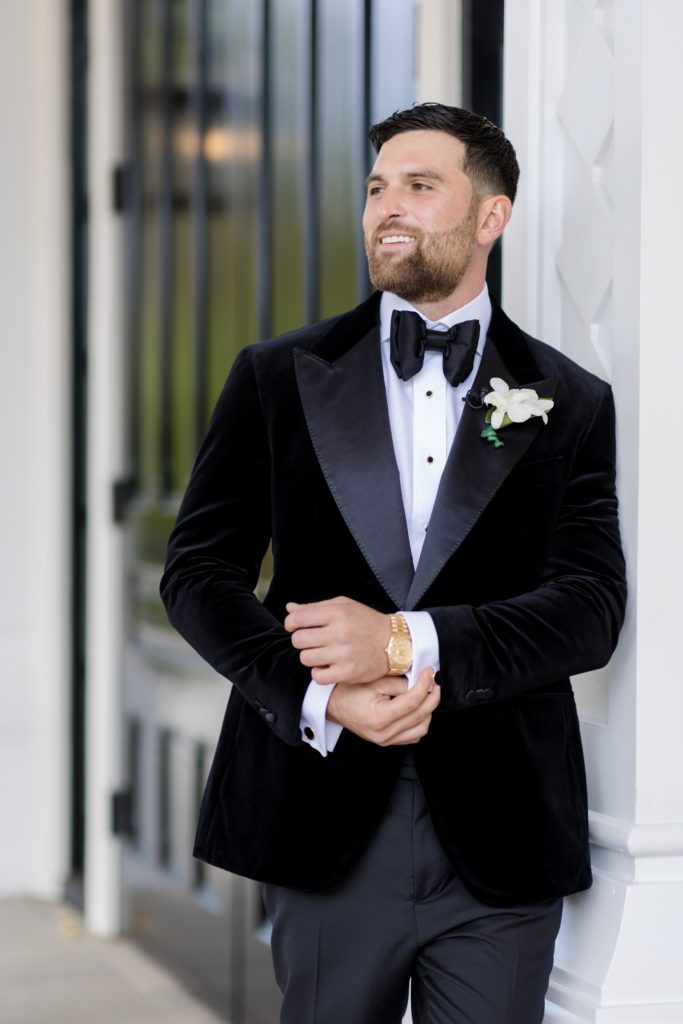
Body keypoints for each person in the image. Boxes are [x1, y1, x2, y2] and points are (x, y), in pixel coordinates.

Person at [161, 103, 626, 1024]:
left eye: (419, 185)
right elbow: (197, 575)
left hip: (500, 834)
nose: (387, 208)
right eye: (377, 188)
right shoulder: (275, 376)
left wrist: (405, 641)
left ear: (489, 217)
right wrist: (321, 694)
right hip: (320, 811)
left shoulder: (568, 399)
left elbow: (590, 606)